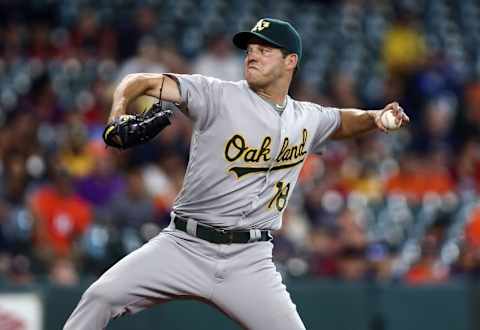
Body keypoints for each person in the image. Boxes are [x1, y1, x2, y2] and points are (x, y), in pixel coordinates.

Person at [64, 18, 409, 330]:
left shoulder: (306, 117)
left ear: (291, 62)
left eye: (264, 50)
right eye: (250, 49)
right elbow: (138, 81)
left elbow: (341, 121)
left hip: (250, 260)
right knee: (100, 297)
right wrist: (117, 114)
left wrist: (375, 117)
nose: (252, 56)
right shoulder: (216, 94)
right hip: (184, 244)